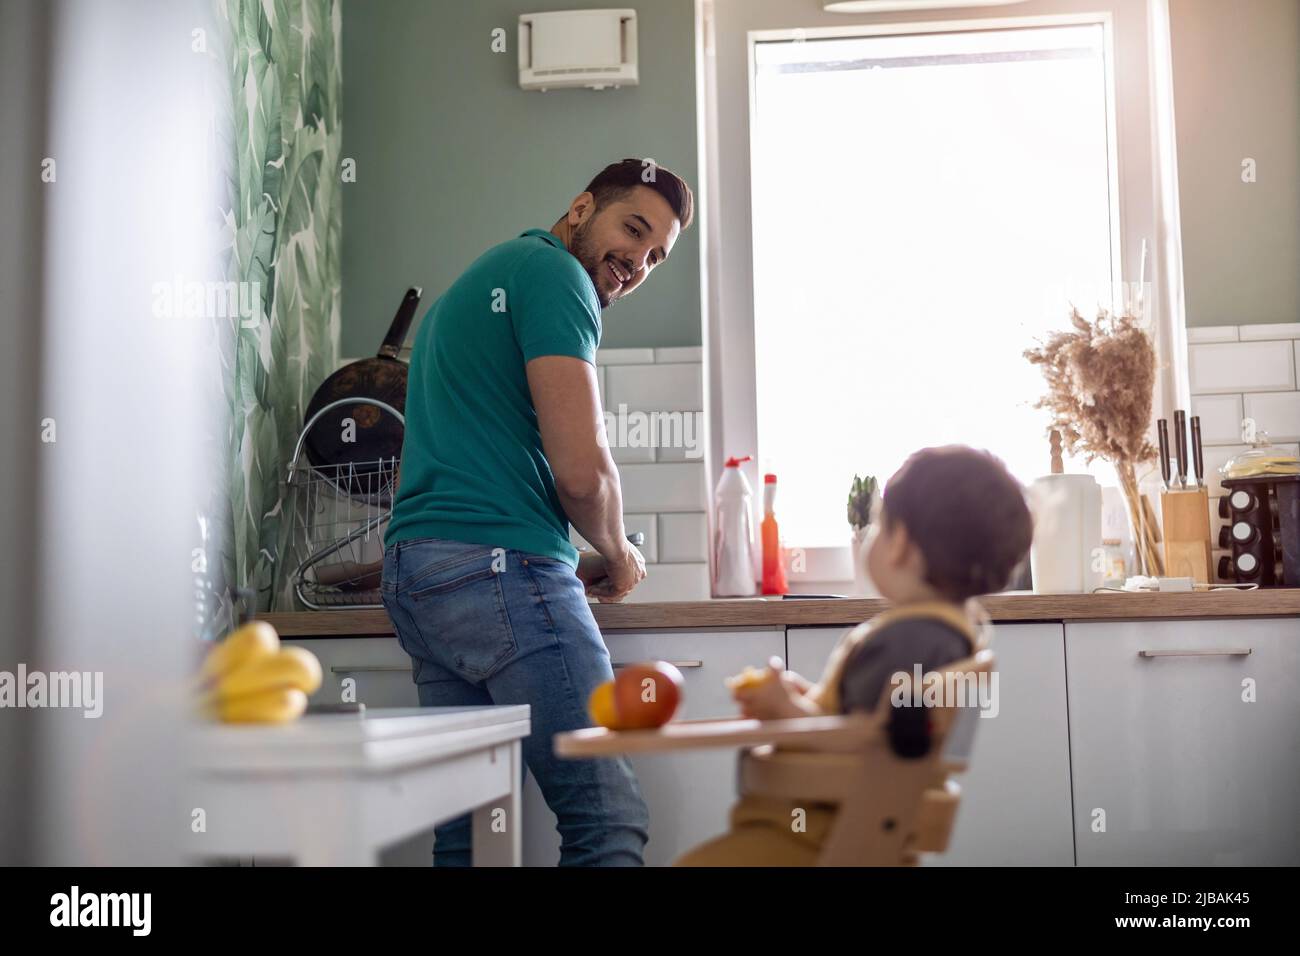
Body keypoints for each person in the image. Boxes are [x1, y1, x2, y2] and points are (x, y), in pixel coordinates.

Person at [381, 158, 695, 866]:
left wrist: (565, 555)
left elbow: (482, 475)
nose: (636, 262)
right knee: (606, 818)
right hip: (498, 570)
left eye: (656, 256)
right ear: (582, 209)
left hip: (422, 578)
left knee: (467, 833)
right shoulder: (556, 276)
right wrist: (619, 553)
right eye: (632, 229)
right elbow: (582, 474)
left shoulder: (486, 279)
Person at [675, 445, 1033, 866]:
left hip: (814, 839)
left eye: (881, 525)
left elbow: (861, 743)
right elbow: (871, 727)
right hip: (853, 833)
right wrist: (804, 698)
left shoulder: (906, 640)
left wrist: (786, 709)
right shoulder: (948, 636)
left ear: (899, 543)